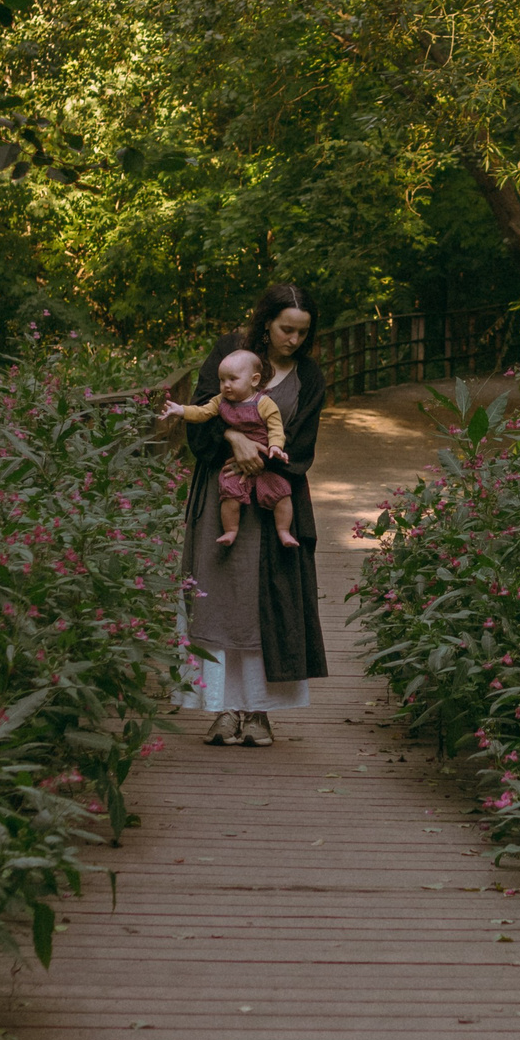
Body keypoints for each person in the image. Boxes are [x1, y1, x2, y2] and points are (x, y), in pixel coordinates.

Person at [159, 285, 328, 746]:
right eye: (284, 329)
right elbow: (203, 415)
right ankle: (223, 709)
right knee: (219, 599)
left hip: (276, 500)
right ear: (266, 322)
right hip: (223, 496)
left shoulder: (308, 376)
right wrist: (234, 440)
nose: (292, 340)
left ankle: (259, 713)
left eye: (302, 332)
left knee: (265, 605)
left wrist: (264, 459)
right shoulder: (229, 353)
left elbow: (303, 443)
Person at [162, 350, 299, 548]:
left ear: (254, 380)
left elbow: (276, 428)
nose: (226, 385)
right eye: (222, 380)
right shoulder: (220, 401)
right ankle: (231, 530)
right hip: (235, 461)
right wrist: (181, 410)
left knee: (281, 494)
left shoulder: (264, 403)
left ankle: (284, 531)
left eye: (233, 379)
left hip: (264, 459)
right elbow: (202, 412)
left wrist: (276, 447)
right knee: (229, 495)